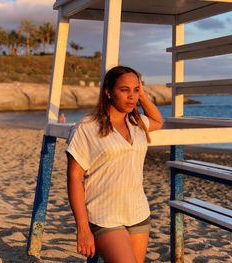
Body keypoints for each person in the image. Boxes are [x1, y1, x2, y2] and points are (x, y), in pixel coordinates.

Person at [66, 65, 163, 263]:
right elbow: (74, 178)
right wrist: (82, 228)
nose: (131, 96)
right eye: (124, 90)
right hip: (104, 215)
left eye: (135, 90)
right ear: (108, 92)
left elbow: (158, 120)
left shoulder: (137, 123)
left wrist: (142, 96)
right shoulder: (87, 127)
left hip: (137, 212)